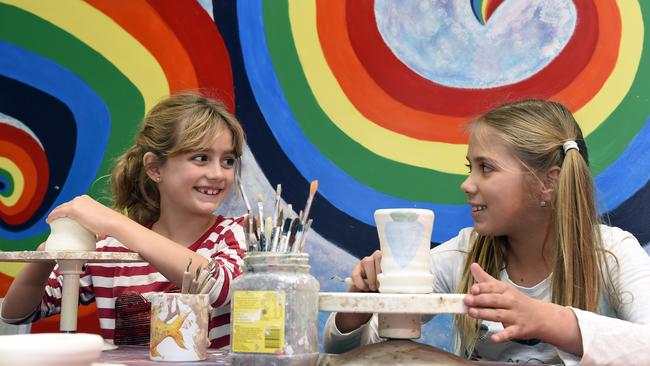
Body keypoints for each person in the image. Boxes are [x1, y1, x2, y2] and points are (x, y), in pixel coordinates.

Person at [324, 99, 650, 364]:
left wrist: (548, 319)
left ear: (548, 183)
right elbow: (358, 355)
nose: (467, 184)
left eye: (486, 168)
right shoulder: (463, 255)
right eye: (471, 168)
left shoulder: (612, 253)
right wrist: (359, 310)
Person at [1, 92, 247, 349]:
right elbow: (17, 313)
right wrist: (46, 255)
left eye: (228, 161)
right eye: (201, 158)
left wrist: (115, 223)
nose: (218, 174)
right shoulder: (110, 251)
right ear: (154, 168)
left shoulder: (235, 234)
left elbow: (219, 286)